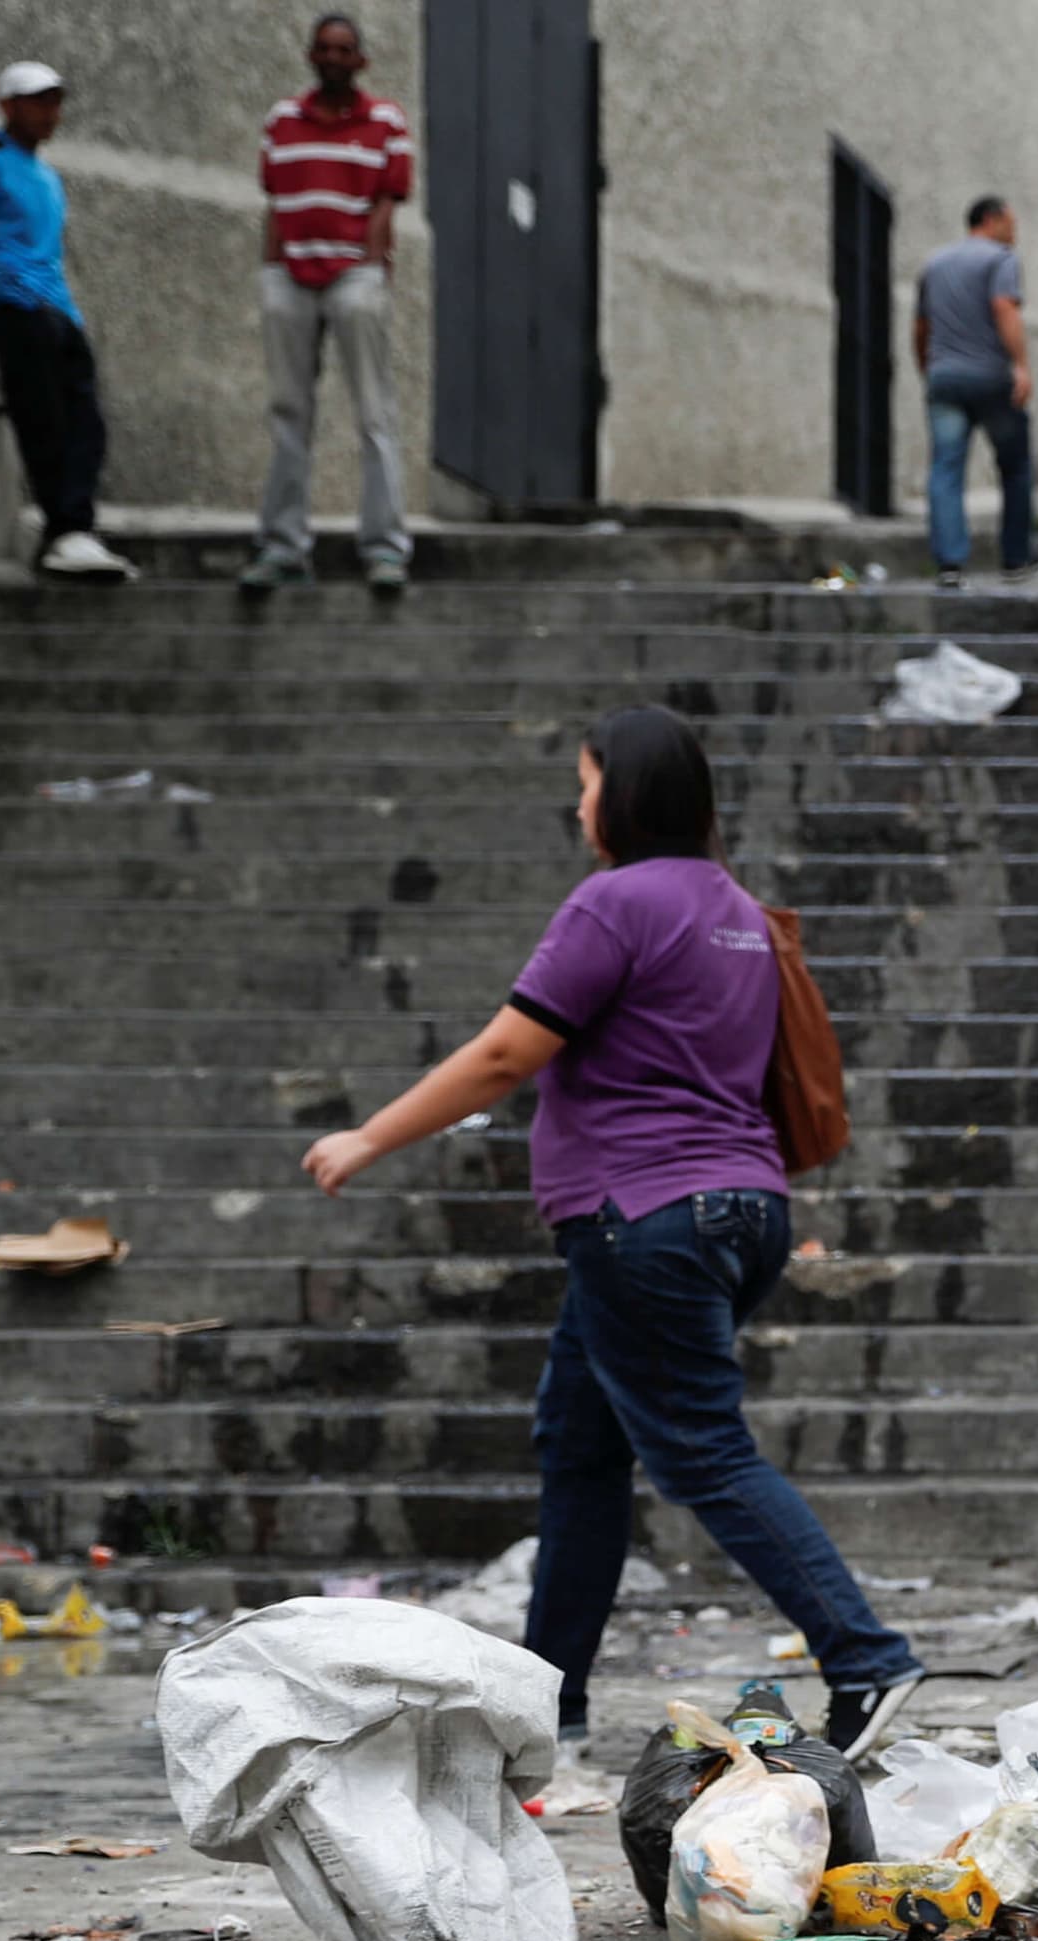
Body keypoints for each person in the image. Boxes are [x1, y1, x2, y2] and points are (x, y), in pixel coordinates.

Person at [300, 706, 929, 1762]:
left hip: (643, 1216)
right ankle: (550, 1703)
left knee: (701, 1451)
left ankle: (866, 1657)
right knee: (580, 1445)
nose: (578, 802)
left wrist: (370, 1136)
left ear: (626, 794)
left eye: (588, 782)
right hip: (740, 1206)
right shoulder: (732, 907)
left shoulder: (616, 902)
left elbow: (508, 1055)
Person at [238, 14, 415, 595]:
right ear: (310, 56)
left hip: (353, 277)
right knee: (289, 414)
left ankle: (385, 549)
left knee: (374, 415)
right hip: (288, 275)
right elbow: (276, 200)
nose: (334, 57)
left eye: (345, 49)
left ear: (361, 60)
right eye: (324, 48)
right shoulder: (281, 120)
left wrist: (368, 266)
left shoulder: (386, 121)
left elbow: (387, 204)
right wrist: (270, 270)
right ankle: (284, 547)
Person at [0, 63, 132, 582]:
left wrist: (63, 310)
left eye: (54, 101)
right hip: (15, 312)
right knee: (43, 418)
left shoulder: (47, 176)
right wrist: (20, 296)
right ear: (8, 106)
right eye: (36, 101)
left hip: (58, 312)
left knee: (87, 422)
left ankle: (75, 531)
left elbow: (47, 252)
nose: (49, 112)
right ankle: (64, 529)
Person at [913, 197, 1032, 589]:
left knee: (945, 469)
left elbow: (922, 327)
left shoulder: (935, 264)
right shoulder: (1000, 260)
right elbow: (1004, 308)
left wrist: (928, 369)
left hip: (944, 377)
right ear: (992, 220)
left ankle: (949, 565)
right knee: (1014, 467)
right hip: (989, 379)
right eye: (1010, 223)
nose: (1013, 233)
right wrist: (1020, 365)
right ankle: (1015, 560)